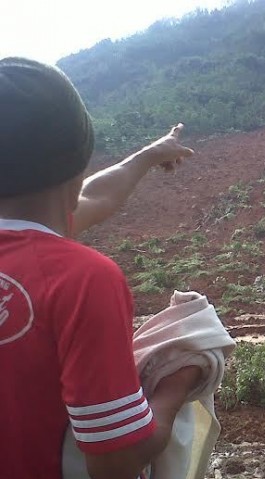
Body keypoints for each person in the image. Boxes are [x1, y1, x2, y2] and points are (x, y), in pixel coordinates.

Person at [0, 57, 198, 479]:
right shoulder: (81, 279)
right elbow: (116, 461)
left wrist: (149, 155)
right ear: (78, 164)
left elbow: (95, 198)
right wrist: (182, 377)